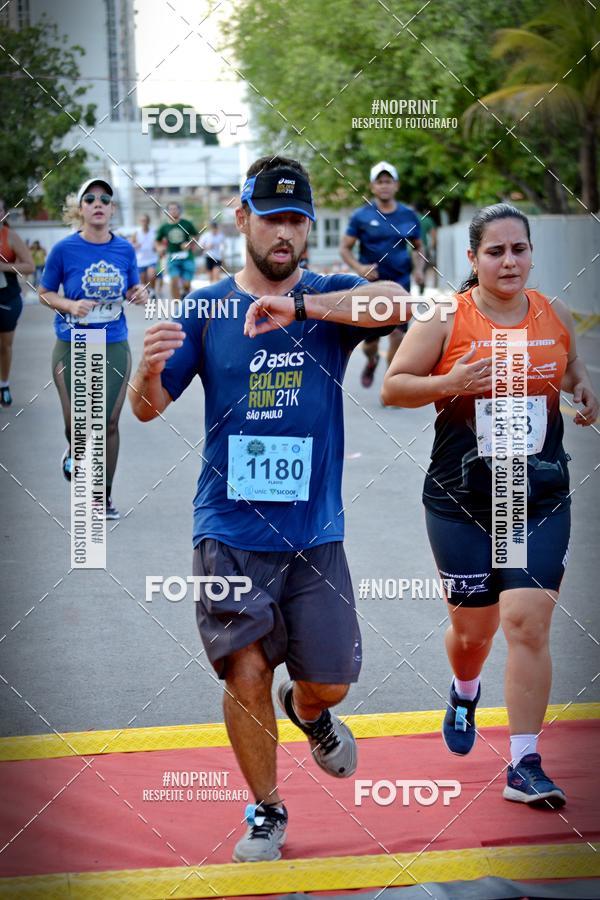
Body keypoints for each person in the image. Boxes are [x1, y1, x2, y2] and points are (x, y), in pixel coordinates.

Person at [129, 155, 411, 862]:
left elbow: (399, 303)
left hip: (315, 533)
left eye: (297, 221)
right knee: (244, 669)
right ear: (242, 218)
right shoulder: (207, 308)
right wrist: (140, 370)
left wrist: (306, 307)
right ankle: (266, 808)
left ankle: (306, 711)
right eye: (272, 217)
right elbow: (147, 408)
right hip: (227, 528)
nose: (284, 233)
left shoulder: (329, 297)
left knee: (330, 682)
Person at [382, 203, 599, 808]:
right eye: (496, 252)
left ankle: (524, 761)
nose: (510, 261)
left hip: (535, 495)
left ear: (531, 253)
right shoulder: (446, 317)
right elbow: (394, 386)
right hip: (462, 499)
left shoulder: (552, 314)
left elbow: (571, 365)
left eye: (519, 249)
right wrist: (453, 383)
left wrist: (582, 388)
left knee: (526, 622)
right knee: (472, 631)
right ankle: (464, 687)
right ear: (473, 260)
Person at [38, 178, 147, 519]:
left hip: (113, 342)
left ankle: (101, 496)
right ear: (81, 208)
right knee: (78, 425)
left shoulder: (125, 249)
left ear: (112, 209)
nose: (98, 203)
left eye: (104, 199)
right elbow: (45, 293)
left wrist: (138, 294)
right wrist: (69, 306)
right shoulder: (63, 250)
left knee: (108, 422)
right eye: (90, 199)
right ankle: (74, 449)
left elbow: (133, 287)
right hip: (72, 343)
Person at [340, 162, 424, 387]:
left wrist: (419, 269)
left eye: (388, 181)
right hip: (373, 284)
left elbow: (418, 246)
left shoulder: (408, 215)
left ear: (396, 185)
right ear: (372, 186)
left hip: (401, 282)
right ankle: (372, 359)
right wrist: (359, 268)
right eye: (380, 181)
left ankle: (391, 381)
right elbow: (345, 248)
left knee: (398, 334)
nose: (384, 186)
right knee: (370, 341)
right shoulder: (362, 216)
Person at [0, 199, 35, 407]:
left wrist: (2, 267)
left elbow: (29, 266)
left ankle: (3, 384)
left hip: (7, 297)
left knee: (4, 345)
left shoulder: (10, 237)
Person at [155, 202, 198, 299]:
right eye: (171, 209)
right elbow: (157, 241)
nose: (173, 211)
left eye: (175, 209)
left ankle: (185, 293)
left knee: (186, 284)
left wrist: (189, 243)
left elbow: (196, 236)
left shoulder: (186, 224)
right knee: (174, 280)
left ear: (179, 210)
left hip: (187, 256)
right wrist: (160, 248)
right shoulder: (164, 227)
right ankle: (177, 304)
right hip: (173, 256)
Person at [414, 201, 437, 294]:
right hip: (423, 248)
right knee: (422, 268)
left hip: (410, 248)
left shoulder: (410, 220)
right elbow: (434, 236)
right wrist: (431, 248)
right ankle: (421, 286)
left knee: (410, 268)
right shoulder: (427, 220)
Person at [131, 214, 157, 294]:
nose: (144, 222)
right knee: (143, 280)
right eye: (142, 221)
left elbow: (158, 243)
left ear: (148, 221)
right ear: (140, 222)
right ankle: (146, 293)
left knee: (151, 276)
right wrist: (135, 245)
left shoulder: (153, 231)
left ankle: (152, 291)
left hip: (152, 258)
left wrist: (156, 246)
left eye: (145, 220)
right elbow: (131, 245)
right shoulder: (136, 232)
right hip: (140, 260)